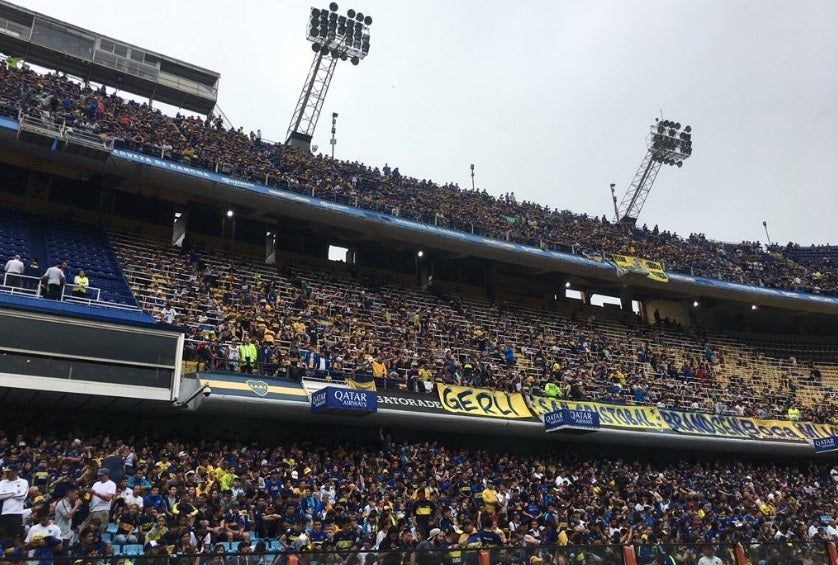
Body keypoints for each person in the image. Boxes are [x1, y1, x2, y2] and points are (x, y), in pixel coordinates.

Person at [81, 468, 116, 533]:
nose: (99, 477)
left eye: (101, 475)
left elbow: (108, 498)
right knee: (83, 531)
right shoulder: (96, 483)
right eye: (99, 475)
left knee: (96, 532)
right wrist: (87, 492)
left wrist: (96, 493)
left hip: (101, 510)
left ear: (106, 475)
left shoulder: (111, 484)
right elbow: (89, 497)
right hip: (92, 509)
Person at [0, 464, 29, 543]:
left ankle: (16, 554)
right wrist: (13, 493)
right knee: (4, 537)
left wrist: (6, 495)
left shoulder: (23, 482)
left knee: (15, 537)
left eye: (9, 472)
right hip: (4, 513)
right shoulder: (3, 482)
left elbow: (22, 496)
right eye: (6, 472)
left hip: (16, 513)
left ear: (15, 472)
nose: (7, 474)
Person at [54, 484, 82, 549]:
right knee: (61, 557)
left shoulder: (68, 503)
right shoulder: (62, 503)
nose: (77, 496)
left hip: (66, 535)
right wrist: (77, 505)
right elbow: (68, 516)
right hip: (60, 535)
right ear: (69, 493)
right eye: (76, 494)